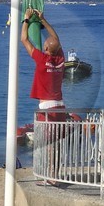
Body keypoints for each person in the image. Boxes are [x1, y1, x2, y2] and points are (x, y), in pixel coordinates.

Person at [20, 9, 66, 180]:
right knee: (57, 143)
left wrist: (25, 19)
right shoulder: (60, 60)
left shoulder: (42, 59)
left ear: (46, 48)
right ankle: (56, 174)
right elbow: (57, 40)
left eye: (45, 43)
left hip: (46, 108)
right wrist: (43, 20)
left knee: (48, 144)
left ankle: (49, 175)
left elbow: (24, 39)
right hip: (60, 106)